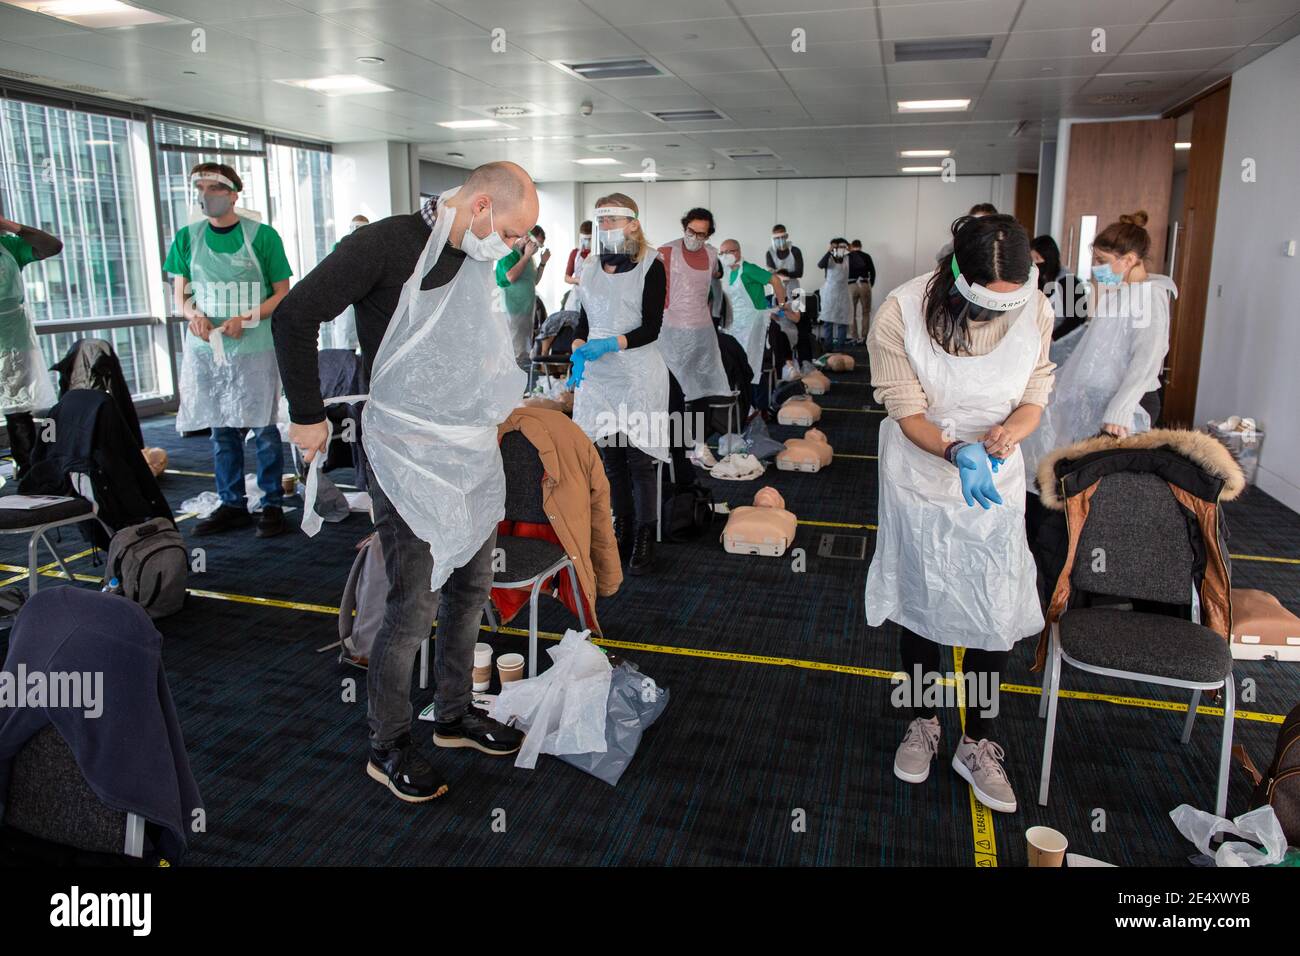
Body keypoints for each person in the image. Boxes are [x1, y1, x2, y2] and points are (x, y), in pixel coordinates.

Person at [273, 161, 539, 803]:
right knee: (413, 606)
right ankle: (387, 744)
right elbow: (294, 315)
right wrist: (308, 415)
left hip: (468, 455)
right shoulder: (385, 245)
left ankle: (453, 716)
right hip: (405, 455)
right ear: (478, 207)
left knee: (471, 588)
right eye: (509, 231)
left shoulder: (475, 257)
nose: (509, 245)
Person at [865, 214, 1056, 814]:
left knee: (990, 611)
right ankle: (923, 721)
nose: (1002, 316)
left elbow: (1035, 394)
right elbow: (906, 408)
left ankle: (979, 741)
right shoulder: (900, 312)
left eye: (1011, 304)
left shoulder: (1037, 308)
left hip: (993, 480)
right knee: (922, 606)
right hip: (922, 473)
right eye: (987, 305)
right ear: (957, 277)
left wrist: (1007, 434)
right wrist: (954, 449)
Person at [165, 162, 292, 538]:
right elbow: (181, 293)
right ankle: (231, 501)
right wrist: (193, 315)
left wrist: (248, 317)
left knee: (263, 427)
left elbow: (282, 292)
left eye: (214, 187)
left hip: (254, 345)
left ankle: (271, 504)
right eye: (200, 187)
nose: (206, 194)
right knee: (221, 427)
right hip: (209, 348)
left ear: (234, 194)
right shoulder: (188, 237)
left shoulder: (263, 237)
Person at [1021, 211, 1175, 485]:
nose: (1097, 268)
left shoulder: (1149, 297)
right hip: (1100, 398)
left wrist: (1120, 409)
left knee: (1110, 483)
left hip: (1128, 403)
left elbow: (1147, 360)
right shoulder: (1122, 293)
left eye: (1102, 261)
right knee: (1081, 477)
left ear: (1128, 260)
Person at [567, 194, 670, 576]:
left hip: (637, 374)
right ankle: (622, 526)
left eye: (613, 220)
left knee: (640, 459)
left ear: (632, 223)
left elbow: (651, 327)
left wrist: (610, 343)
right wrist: (578, 349)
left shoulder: (651, 265)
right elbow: (583, 322)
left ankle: (645, 533)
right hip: (599, 377)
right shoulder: (591, 265)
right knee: (610, 459)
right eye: (601, 220)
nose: (606, 226)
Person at [657, 208, 730, 453]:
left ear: (709, 235)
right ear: (684, 226)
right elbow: (652, 291)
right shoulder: (666, 252)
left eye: (702, 234)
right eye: (691, 231)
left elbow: (707, 292)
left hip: (701, 333)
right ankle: (674, 446)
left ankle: (699, 446)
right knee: (672, 391)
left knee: (701, 390)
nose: (695, 237)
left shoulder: (711, 255)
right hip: (671, 332)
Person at [0, 212, 60, 481]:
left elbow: (52, 246)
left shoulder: (9, 246)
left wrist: (11, 226)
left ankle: (29, 473)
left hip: (13, 341)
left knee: (17, 411)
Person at [718, 238, 798, 413]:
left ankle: (759, 408)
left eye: (727, 252)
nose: (723, 256)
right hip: (735, 326)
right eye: (721, 253)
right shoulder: (726, 273)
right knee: (736, 365)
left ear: (737, 252)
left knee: (754, 366)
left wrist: (783, 304)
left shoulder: (749, 269)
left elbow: (775, 280)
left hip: (754, 325)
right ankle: (744, 405)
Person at [496, 223, 549, 367]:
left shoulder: (529, 257)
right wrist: (525, 256)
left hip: (526, 308)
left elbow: (533, 281)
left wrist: (542, 264)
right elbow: (510, 277)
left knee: (524, 350)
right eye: (536, 244)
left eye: (539, 247)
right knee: (513, 350)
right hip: (513, 308)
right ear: (526, 237)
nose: (536, 249)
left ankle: (522, 381)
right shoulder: (510, 252)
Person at [765, 224, 813, 370]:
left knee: (802, 323)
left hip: (795, 289)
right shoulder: (770, 253)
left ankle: (805, 360)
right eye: (776, 238)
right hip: (778, 289)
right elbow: (771, 272)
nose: (780, 240)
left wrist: (784, 276)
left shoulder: (795, 251)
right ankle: (783, 363)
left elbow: (799, 271)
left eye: (782, 237)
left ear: (786, 236)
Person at [816, 238, 852, 351]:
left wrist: (851, 251)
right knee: (828, 322)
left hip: (843, 293)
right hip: (830, 294)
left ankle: (840, 349)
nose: (840, 250)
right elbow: (820, 265)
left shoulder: (848, 259)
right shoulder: (829, 259)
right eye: (838, 247)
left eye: (842, 247)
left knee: (843, 322)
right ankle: (828, 348)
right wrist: (829, 251)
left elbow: (860, 264)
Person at [847, 239, 876, 345]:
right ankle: (864, 337)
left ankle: (854, 337)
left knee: (851, 313)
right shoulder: (867, 256)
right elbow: (872, 272)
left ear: (852, 246)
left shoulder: (848, 257)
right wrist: (869, 285)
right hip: (864, 284)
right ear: (861, 246)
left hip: (851, 285)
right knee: (865, 312)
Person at [562, 219, 592, 310]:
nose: (586, 242)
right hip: (577, 297)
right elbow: (566, 278)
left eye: (589, 239)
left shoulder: (599, 255)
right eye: (584, 239)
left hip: (593, 296)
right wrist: (577, 280)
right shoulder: (575, 254)